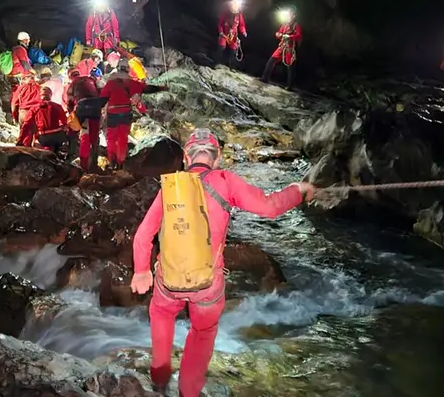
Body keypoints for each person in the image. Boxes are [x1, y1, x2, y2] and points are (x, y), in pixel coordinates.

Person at [130, 128, 316, 396]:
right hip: (207, 285)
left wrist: (141, 271)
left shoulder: (171, 186)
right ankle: (188, 391)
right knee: (202, 332)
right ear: (216, 159)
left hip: (168, 281)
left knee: (161, 313)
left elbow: (144, 235)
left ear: (186, 157)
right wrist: (297, 190)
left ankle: (159, 377)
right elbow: (270, 207)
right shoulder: (225, 180)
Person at [99, 62, 167, 170]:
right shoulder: (130, 83)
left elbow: (102, 99)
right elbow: (146, 88)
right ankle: (121, 163)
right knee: (122, 138)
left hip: (113, 113)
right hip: (126, 113)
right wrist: (162, 88)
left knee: (111, 138)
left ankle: (112, 161)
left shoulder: (110, 84)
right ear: (127, 70)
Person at [64, 69, 104, 172]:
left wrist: (71, 113)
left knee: (83, 135)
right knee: (94, 136)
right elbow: (100, 90)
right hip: (96, 106)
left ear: (70, 77)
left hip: (82, 106)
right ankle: (94, 163)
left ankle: (82, 163)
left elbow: (69, 102)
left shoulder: (72, 84)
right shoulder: (89, 79)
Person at [261, 9, 302, 86]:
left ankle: (290, 85)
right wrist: (278, 34)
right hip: (282, 46)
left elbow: (298, 36)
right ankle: (265, 78)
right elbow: (279, 32)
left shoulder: (296, 25)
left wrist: (289, 37)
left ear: (293, 16)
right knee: (272, 60)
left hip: (290, 48)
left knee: (290, 66)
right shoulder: (285, 25)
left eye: (290, 15)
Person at [33, 86, 68, 153]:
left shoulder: (34, 108)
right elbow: (65, 122)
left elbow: (28, 124)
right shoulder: (57, 106)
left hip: (42, 137)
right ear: (50, 95)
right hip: (57, 137)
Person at [11, 74, 42, 147]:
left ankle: (23, 155)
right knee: (37, 137)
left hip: (24, 113)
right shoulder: (40, 88)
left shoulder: (21, 88)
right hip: (37, 113)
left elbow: (14, 103)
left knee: (25, 137)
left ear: (25, 78)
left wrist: (15, 116)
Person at [216, 0, 247, 66]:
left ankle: (232, 66)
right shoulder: (225, 13)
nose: (235, 7)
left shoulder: (239, 15)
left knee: (234, 50)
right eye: (234, 5)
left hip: (233, 35)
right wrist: (221, 32)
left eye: (236, 6)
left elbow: (241, 25)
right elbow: (220, 24)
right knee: (221, 47)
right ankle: (216, 62)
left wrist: (243, 31)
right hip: (224, 34)